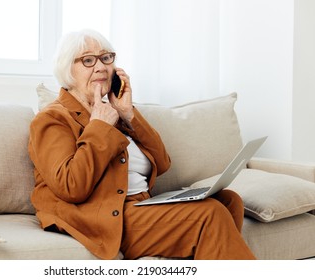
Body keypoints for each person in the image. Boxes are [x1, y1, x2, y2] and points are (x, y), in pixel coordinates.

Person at [28, 29, 256, 260]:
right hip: (104, 216)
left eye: (106, 58)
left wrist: (128, 114)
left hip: (140, 205)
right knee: (209, 214)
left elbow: (163, 163)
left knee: (229, 201)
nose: (101, 67)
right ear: (68, 69)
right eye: (88, 60)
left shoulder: (113, 113)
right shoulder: (52, 119)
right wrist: (99, 126)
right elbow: (71, 186)